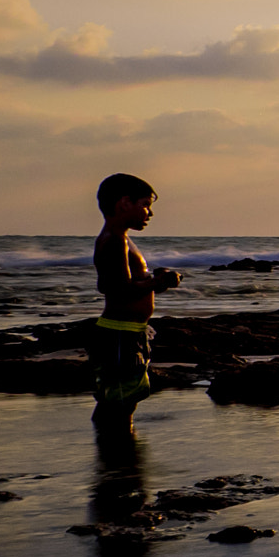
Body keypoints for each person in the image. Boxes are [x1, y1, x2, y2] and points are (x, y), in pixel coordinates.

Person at [90, 172, 180, 423]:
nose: (149, 214)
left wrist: (155, 281)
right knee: (119, 399)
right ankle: (118, 454)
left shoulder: (123, 240)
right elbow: (113, 287)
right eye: (146, 206)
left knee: (124, 397)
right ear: (124, 203)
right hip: (119, 334)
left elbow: (130, 284)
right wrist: (158, 281)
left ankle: (119, 454)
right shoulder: (115, 240)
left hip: (129, 332)